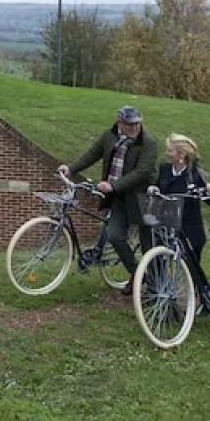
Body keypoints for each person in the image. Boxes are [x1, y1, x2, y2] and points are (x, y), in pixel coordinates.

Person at [56, 105, 158, 292]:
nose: (135, 128)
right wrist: (71, 168)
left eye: (137, 124)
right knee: (115, 236)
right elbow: (92, 154)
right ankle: (138, 274)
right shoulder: (110, 136)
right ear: (119, 123)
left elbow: (142, 172)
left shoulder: (148, 142)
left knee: (148, 243)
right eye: (130, 125)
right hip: (119, 198)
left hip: (143, 199)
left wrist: (113, 185)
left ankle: (157, 285)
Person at [151, 134, 210, 312]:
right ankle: (162, 298)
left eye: (170, 150)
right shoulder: (165, 169)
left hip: (189, 227)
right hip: (168, 224)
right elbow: (159, 185)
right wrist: (154, 188)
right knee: (160, 260)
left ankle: (205, 298)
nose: (167, 154)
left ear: (181, 154)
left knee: (192, 266)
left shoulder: (195, 174)